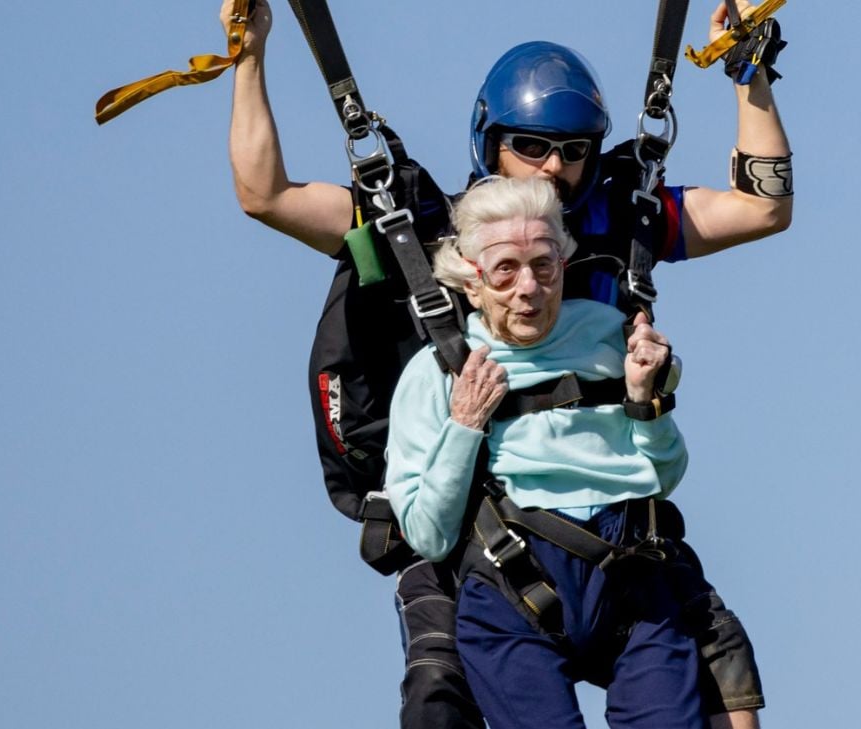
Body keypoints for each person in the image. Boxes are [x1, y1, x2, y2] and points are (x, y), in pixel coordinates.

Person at [222, 2, 792, 727]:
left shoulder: (616, 218)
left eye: (574, 150)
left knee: (727, 688)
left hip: (608, 522)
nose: (555, 168)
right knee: (440, 702)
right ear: (491, 144)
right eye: (532, 147)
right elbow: (265, 195)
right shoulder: (431, 229)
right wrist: (250, 57)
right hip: (473, 530)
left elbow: (763, 209)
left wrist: (750, 76)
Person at [387, 175, 704, 729]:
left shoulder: (613, 339)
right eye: (506, 270)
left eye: (543, 265)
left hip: (632, 576)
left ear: (564, 264)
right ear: (471, 280)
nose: (528, 287)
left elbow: (665, 474)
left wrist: (643, 401)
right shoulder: (435, 373)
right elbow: (428, 534)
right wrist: (465, 425)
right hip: (514, 586)